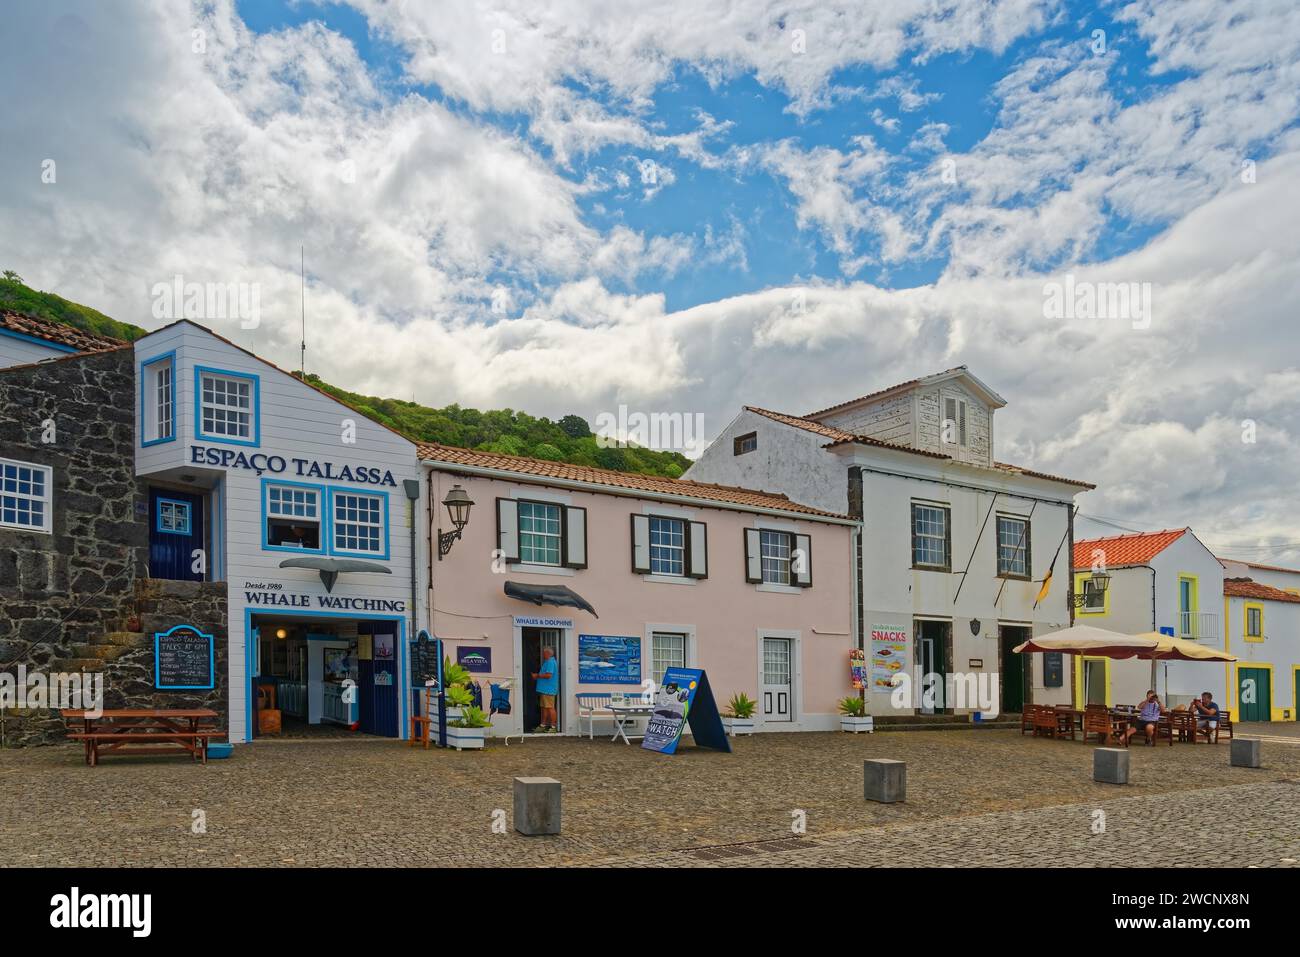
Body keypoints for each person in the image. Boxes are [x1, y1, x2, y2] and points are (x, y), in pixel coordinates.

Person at [531, 646, 559, 733]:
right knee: (544, 708)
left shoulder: (550, 662)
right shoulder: (548, 662)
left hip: (548, 689)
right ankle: (543, 725)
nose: (542, 654)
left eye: (544, 653)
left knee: (550, 707)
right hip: (544, 689)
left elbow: (548, 675)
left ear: (548, 653)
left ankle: (553, 727)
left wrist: (537, 675)